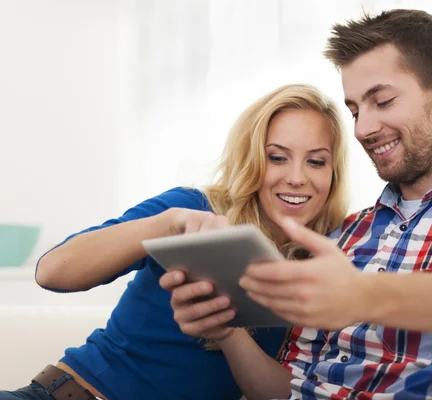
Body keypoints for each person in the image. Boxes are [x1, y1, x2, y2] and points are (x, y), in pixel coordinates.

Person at [161, 9, 432, 400]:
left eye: (382, 100)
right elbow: (286, 389)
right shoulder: (344, 235)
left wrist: (364, 295)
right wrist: (228, 330)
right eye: (354, 110)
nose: (363, 128)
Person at [0, 83, 349, 400]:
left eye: (316, 161)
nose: (297, 178)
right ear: (253, 159)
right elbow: (52, 272)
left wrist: (229, 333)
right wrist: (168, 224)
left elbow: (285, 393)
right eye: (277, 157)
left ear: (333, 173)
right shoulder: (192, 208)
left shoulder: (330, 262)